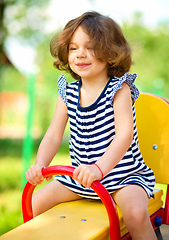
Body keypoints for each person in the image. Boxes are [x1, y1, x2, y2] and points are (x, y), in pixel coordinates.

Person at [26, 11, 157, 240]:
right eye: (73, 48)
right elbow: (54, 135)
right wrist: (40, 165)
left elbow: (124, 136)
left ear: (111, 52)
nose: (80, 55)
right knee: (36, 202)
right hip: (82, 179)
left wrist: (99, 168)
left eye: (91, 47)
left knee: (135, 214)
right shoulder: (68, 92)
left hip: (123, 177)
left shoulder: (118, 89)